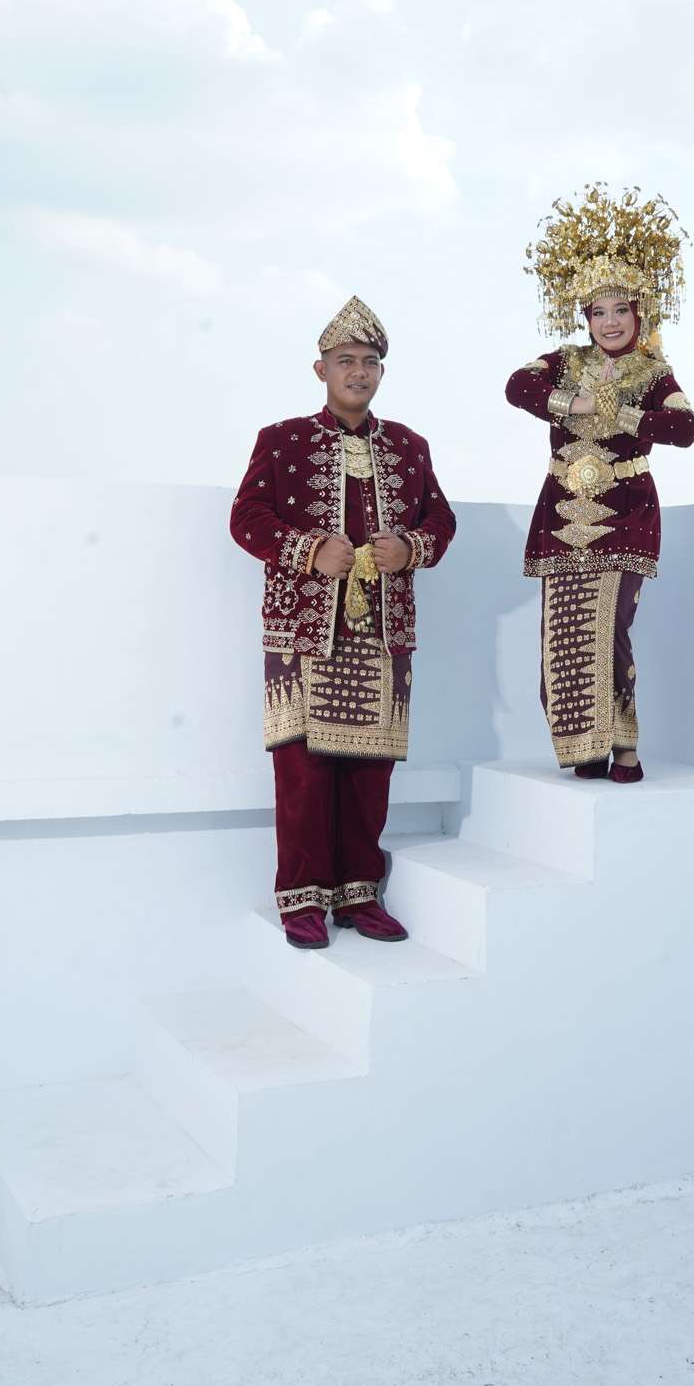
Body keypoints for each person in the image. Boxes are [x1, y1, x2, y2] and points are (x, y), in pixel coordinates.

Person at [230, 296, 456, 947]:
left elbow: (440, 521)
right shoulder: (281, 440)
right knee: (303, 770)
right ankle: (302, 898)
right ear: (321, 369)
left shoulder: (410, 447)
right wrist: (308, 551)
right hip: (304, 629)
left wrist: (409, 548)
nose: (358, 371)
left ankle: (359, 892)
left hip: (382, 632)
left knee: (368, 772)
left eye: (370, 362)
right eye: (345, 360)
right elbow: (247, 518)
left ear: (381, 372)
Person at [505, 185, 694, 782]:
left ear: (640, 313)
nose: (609, 322)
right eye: (598, 311)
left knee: (610, 630)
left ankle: (626, 747)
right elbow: (517, 387)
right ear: (584, 318)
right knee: (563, 634)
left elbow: (686, 428)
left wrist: (627, 415)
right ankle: (583, 750)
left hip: (626, 514)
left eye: (620, 310)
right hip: (562, 517)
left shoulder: (655, 373)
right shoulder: (563, 362)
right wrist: (580, 402)